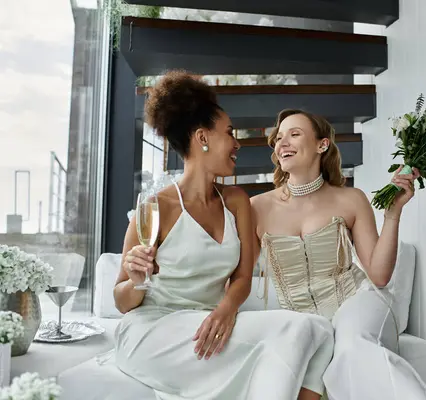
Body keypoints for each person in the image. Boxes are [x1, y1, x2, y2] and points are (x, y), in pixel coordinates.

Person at [113, 72, 334, 400]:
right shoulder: (157, 208)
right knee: (300, 328)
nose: (237, 143)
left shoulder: (236, 202)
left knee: (322, 331)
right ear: (202, 137)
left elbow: (244, 276)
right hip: (154, 331)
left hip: (209, 324)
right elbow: (121, 300)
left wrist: (226, 309)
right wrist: (136, 280)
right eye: (229, 133)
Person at [251, 109, 426, 400]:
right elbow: (234, 270)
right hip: (301, 319)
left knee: (349, 346)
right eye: (279, 137)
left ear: (322, 145)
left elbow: (380, 276)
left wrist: (393, 214)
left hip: (356, 301)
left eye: (294, 134)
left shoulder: (351, 198)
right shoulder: (257, 207)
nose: (282, 142)